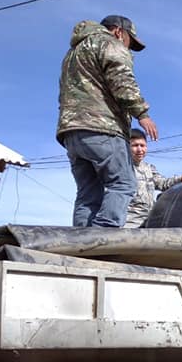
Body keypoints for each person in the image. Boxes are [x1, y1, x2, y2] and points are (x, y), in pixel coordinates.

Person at [56, 15, 159, 228]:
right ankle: (104, 234)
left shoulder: (72, 54)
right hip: (102, 127)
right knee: (123, 183)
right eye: (129, 41)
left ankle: (80, 241)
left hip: (71, 131)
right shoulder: (110, 43)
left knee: (88, 193)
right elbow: (122, 80)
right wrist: (142, 114)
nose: (128, 47)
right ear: (118, 32)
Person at [125, 128, 182, 227]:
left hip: (149, 220)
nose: (140, 149)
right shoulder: (121, 168)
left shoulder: (149, 168)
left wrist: (181, 179)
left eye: (142, 145)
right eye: (135, 145)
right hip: (129, 222)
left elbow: (162, 183)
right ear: (127, 147)